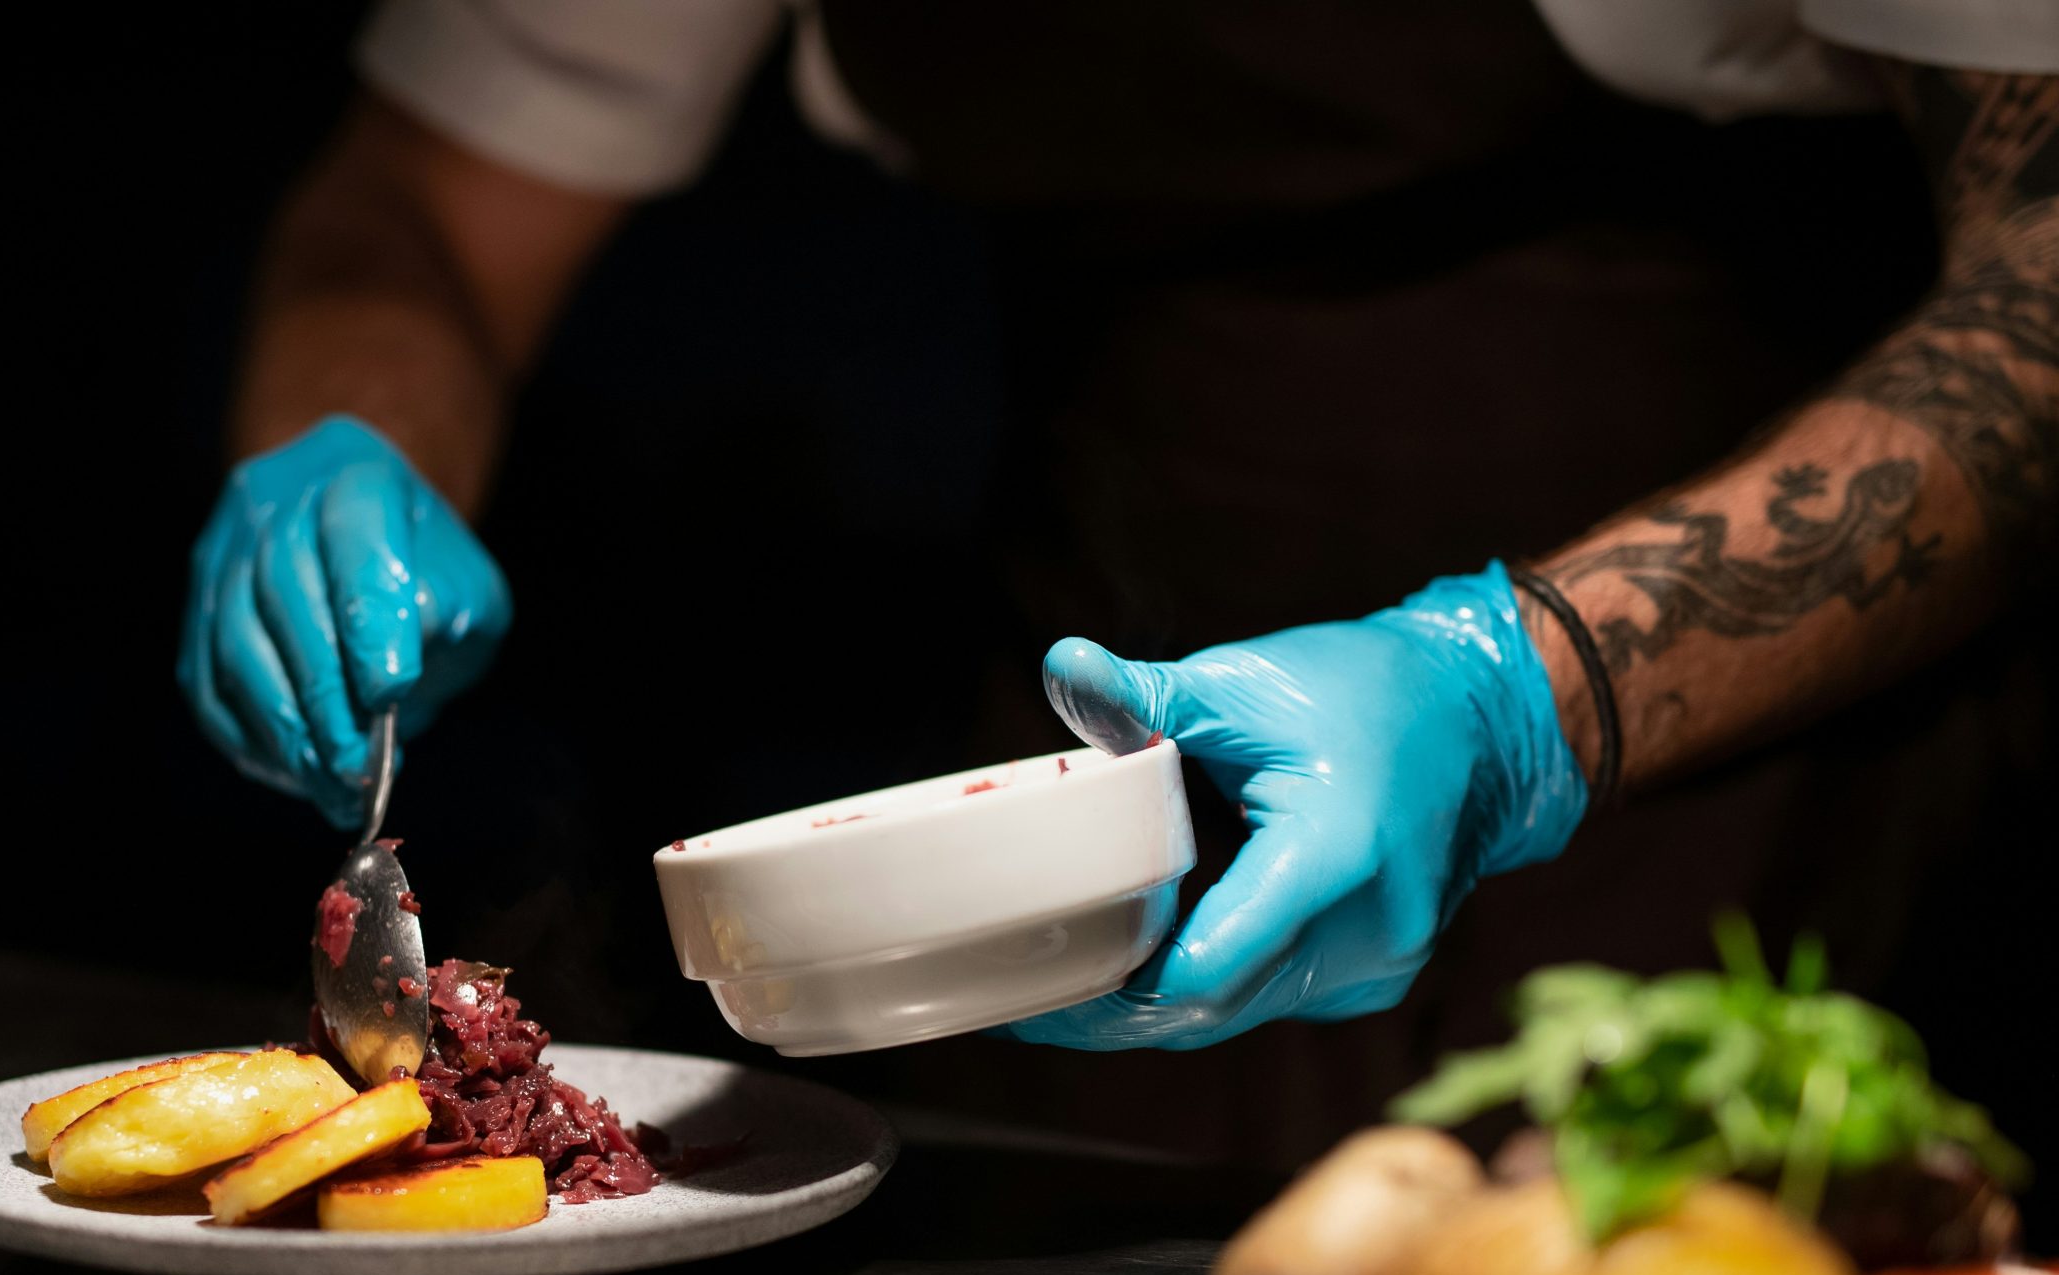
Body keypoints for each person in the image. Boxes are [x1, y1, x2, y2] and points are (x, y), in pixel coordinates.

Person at [181, 1, 2056, 1165]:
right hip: (1104, 756)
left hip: (1733, 758)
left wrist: (1515, 692)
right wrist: (351, 449)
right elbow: (426, 205)